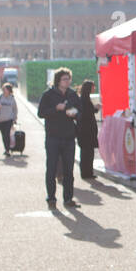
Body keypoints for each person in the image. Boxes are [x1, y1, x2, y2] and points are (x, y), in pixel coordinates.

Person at [37, 67, 81, 209]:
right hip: (53, 137)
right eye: (64, 79)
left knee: (69, 170)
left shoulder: (73, 95)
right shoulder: (48, 95)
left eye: (69, 79)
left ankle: (68, 199)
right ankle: (51, 199)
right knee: (51, 168)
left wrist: (75, 113)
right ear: (58, 80)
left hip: (68, 137)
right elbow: (41, 113)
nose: (67, 81)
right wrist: (57, 108)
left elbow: (81, 112)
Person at [77, 79, 100, 180]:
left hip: (85, 129)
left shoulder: (84, 98)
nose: (94, 88)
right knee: (88, 152)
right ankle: (87, 172)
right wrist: (95, 108)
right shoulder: (84, 99)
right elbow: (86, 112)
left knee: (87, 152)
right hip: (87, 130)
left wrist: (95, 108)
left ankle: (87, 172)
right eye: (93, 86)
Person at [0, 83, 18, 157]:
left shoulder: (12, 99)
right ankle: (6, 148)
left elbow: (15, 109)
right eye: (3, 89)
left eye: (5, 89)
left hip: (9, 120)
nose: (4, 91)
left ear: (9, 90)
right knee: (4, 135)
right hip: (0, 120)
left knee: (7, 134)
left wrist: (15, 117)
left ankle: (7, 150)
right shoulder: (0, 98)